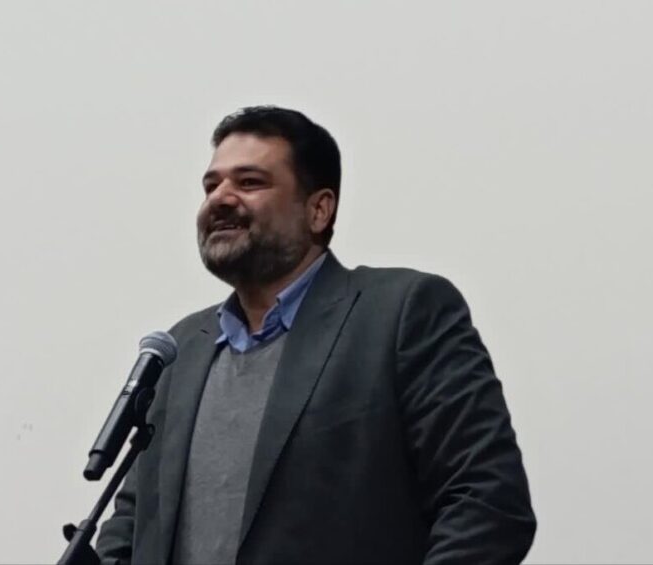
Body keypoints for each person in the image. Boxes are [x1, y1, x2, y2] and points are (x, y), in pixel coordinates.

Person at [95, 106, 536, 564]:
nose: (220, 198)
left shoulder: (399, 313)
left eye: (250, 182)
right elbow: (130, 524)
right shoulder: (181, 348)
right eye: (211, 185)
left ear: (319, 210)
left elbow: (486, 499)